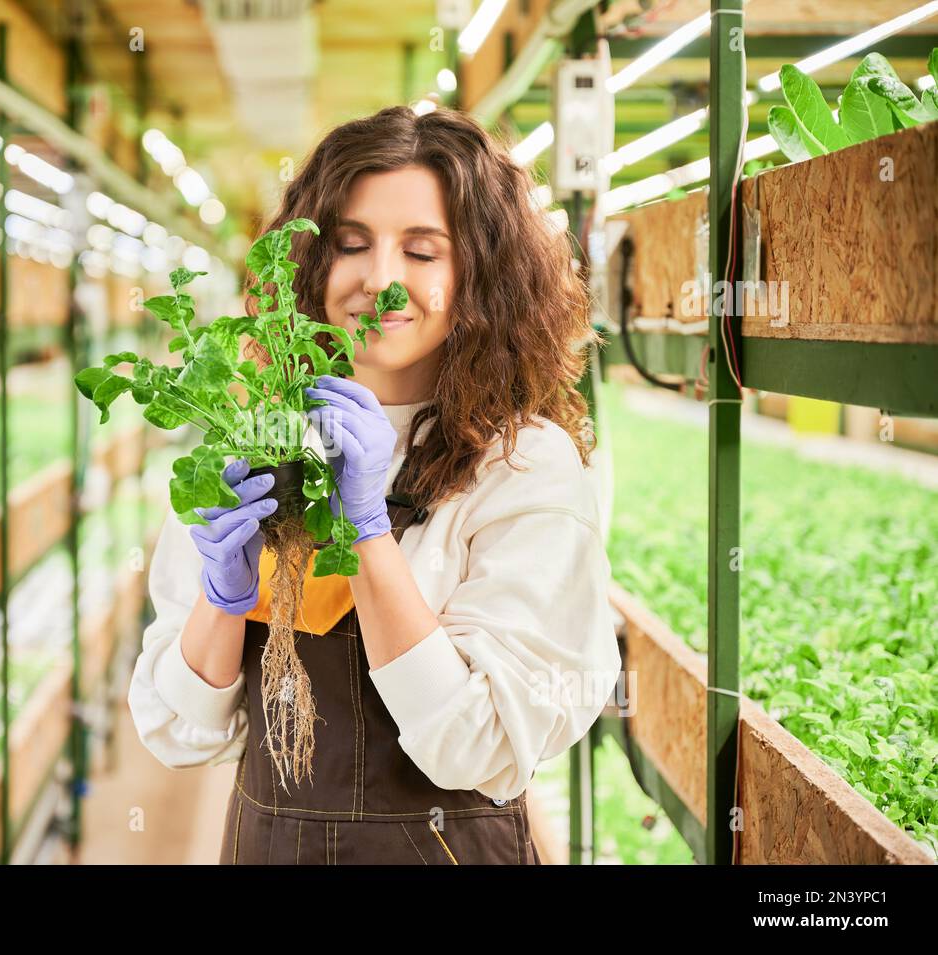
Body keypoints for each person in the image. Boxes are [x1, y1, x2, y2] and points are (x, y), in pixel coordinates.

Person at [127, 105, 622, 865]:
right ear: (311, 265)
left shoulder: (525, 465)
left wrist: (367, 533)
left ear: (478, 274)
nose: (380, 280)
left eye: (422, 251)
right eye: (350, 245)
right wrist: (219, 604)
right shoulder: (256, 439)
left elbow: (480, 745)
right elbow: (179, 730)